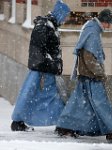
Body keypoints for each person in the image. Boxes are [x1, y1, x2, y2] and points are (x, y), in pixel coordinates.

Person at [55, 9, 112, 142]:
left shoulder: (91, 28)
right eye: (108, 23)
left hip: (85, 74)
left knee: (79, 103)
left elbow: (86, 55)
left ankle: (65, 127)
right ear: (104, 21)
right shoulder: (93, 32)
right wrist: (100, 73)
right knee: (101, 103)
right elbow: (89, 57)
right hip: (92, 76)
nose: (109, 26)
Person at [11, 0, 71, 131]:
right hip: (42, 71)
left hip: (46, 70)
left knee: (47, 97)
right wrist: (50, 64)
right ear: (60, 13)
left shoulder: (51, 26)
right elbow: (37, 51)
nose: (67, 19)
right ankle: (18, 121)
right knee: (32, 95)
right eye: (66, 15)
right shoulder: (44, 26)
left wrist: (55, 65)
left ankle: (62, 123)